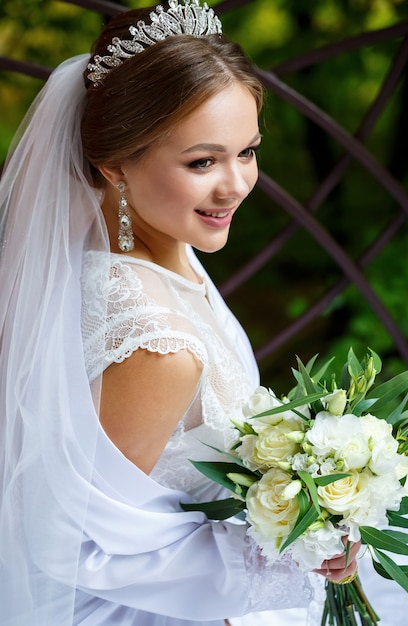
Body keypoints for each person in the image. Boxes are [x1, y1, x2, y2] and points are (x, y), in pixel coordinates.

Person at [0, 2, 359, 625]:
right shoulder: (156, 348)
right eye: (201, 162)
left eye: (246, 152)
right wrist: (290, 547)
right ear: (115, 166)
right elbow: (72, 541)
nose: (235, 185)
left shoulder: (161, 252)